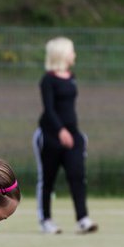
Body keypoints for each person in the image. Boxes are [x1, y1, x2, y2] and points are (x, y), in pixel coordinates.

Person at [33, 36, 96, 235]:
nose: (74, 55)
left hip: (73, 137)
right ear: (61, 54)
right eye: (71, 51)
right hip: (50, 137)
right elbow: (49, 109)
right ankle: (46, 220)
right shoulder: (47, 80)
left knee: (77, 176)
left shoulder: (71, 77)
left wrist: (72, 133)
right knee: (48, 179)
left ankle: (83, 218)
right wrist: (60, 131)